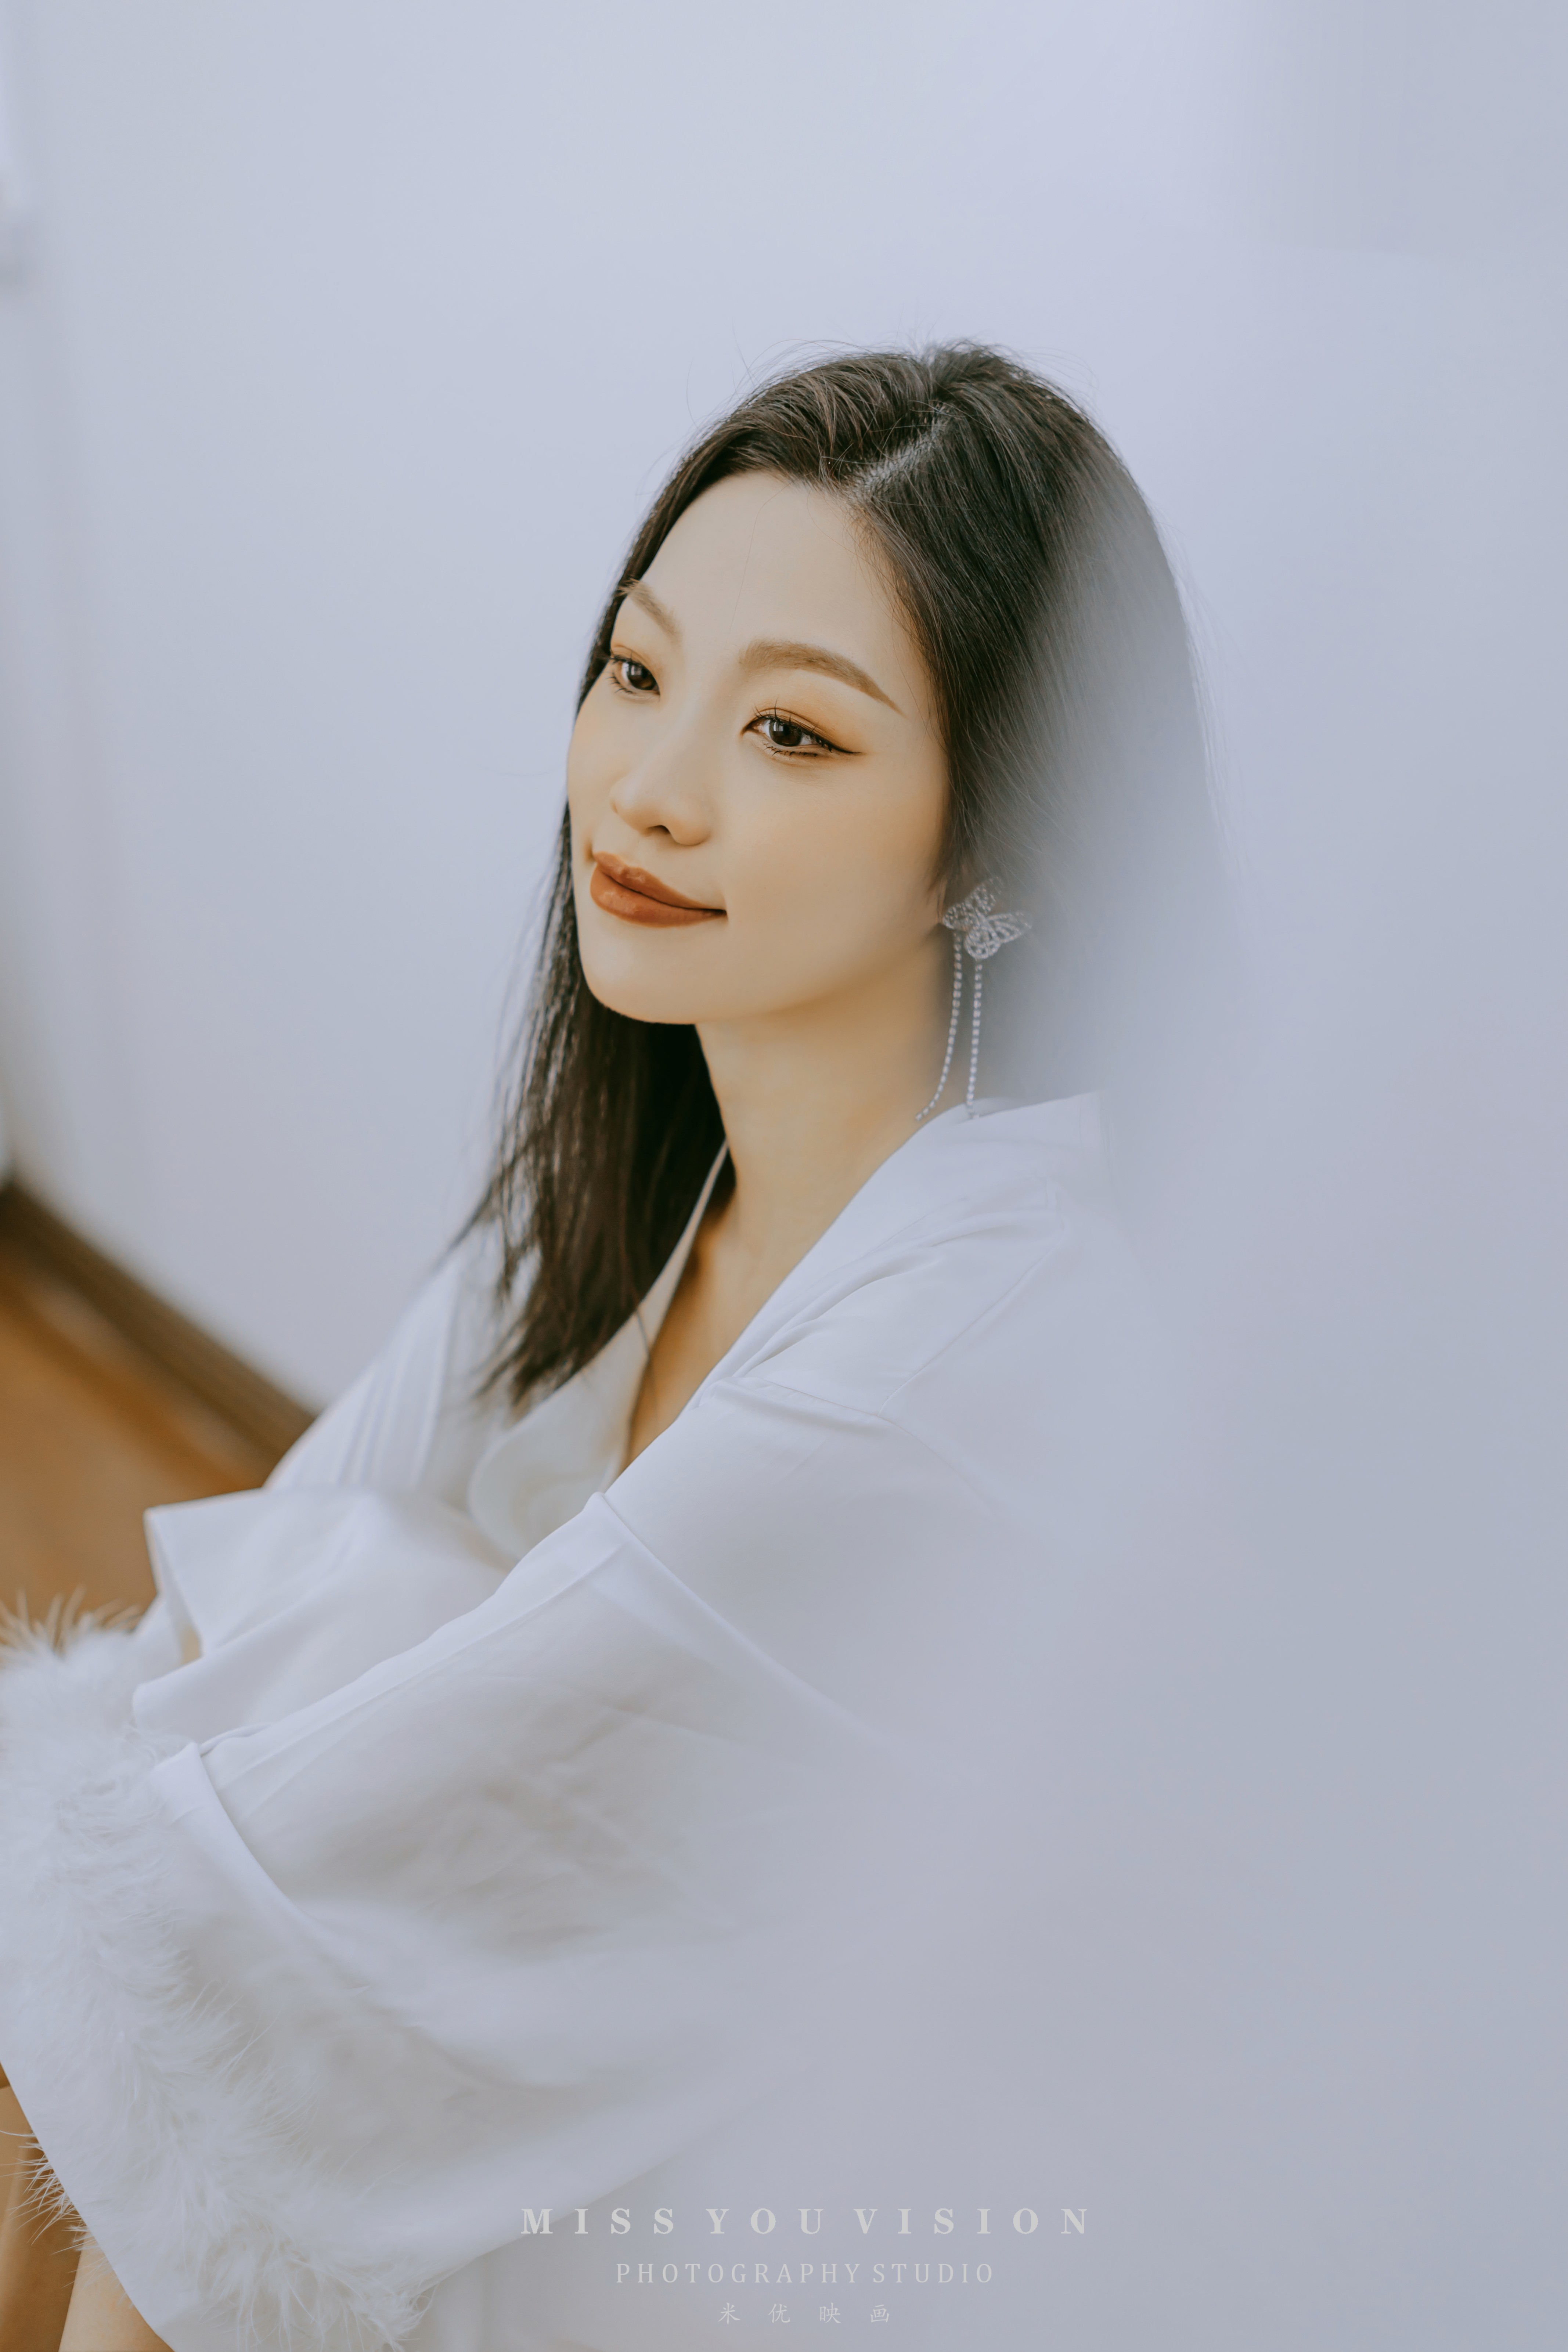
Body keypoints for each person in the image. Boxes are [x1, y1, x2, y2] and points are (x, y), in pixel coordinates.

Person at [0, 344, 1225, 2351]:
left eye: (793, 733)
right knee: (310, 1657)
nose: (649, 788)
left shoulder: (960, 1359)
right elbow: (227, 1653)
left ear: (999, 849)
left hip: (883, 2203)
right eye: (638, 672)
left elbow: (254, 1932)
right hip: (644, 2080)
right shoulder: (653, 1182)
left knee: (235, 1928)